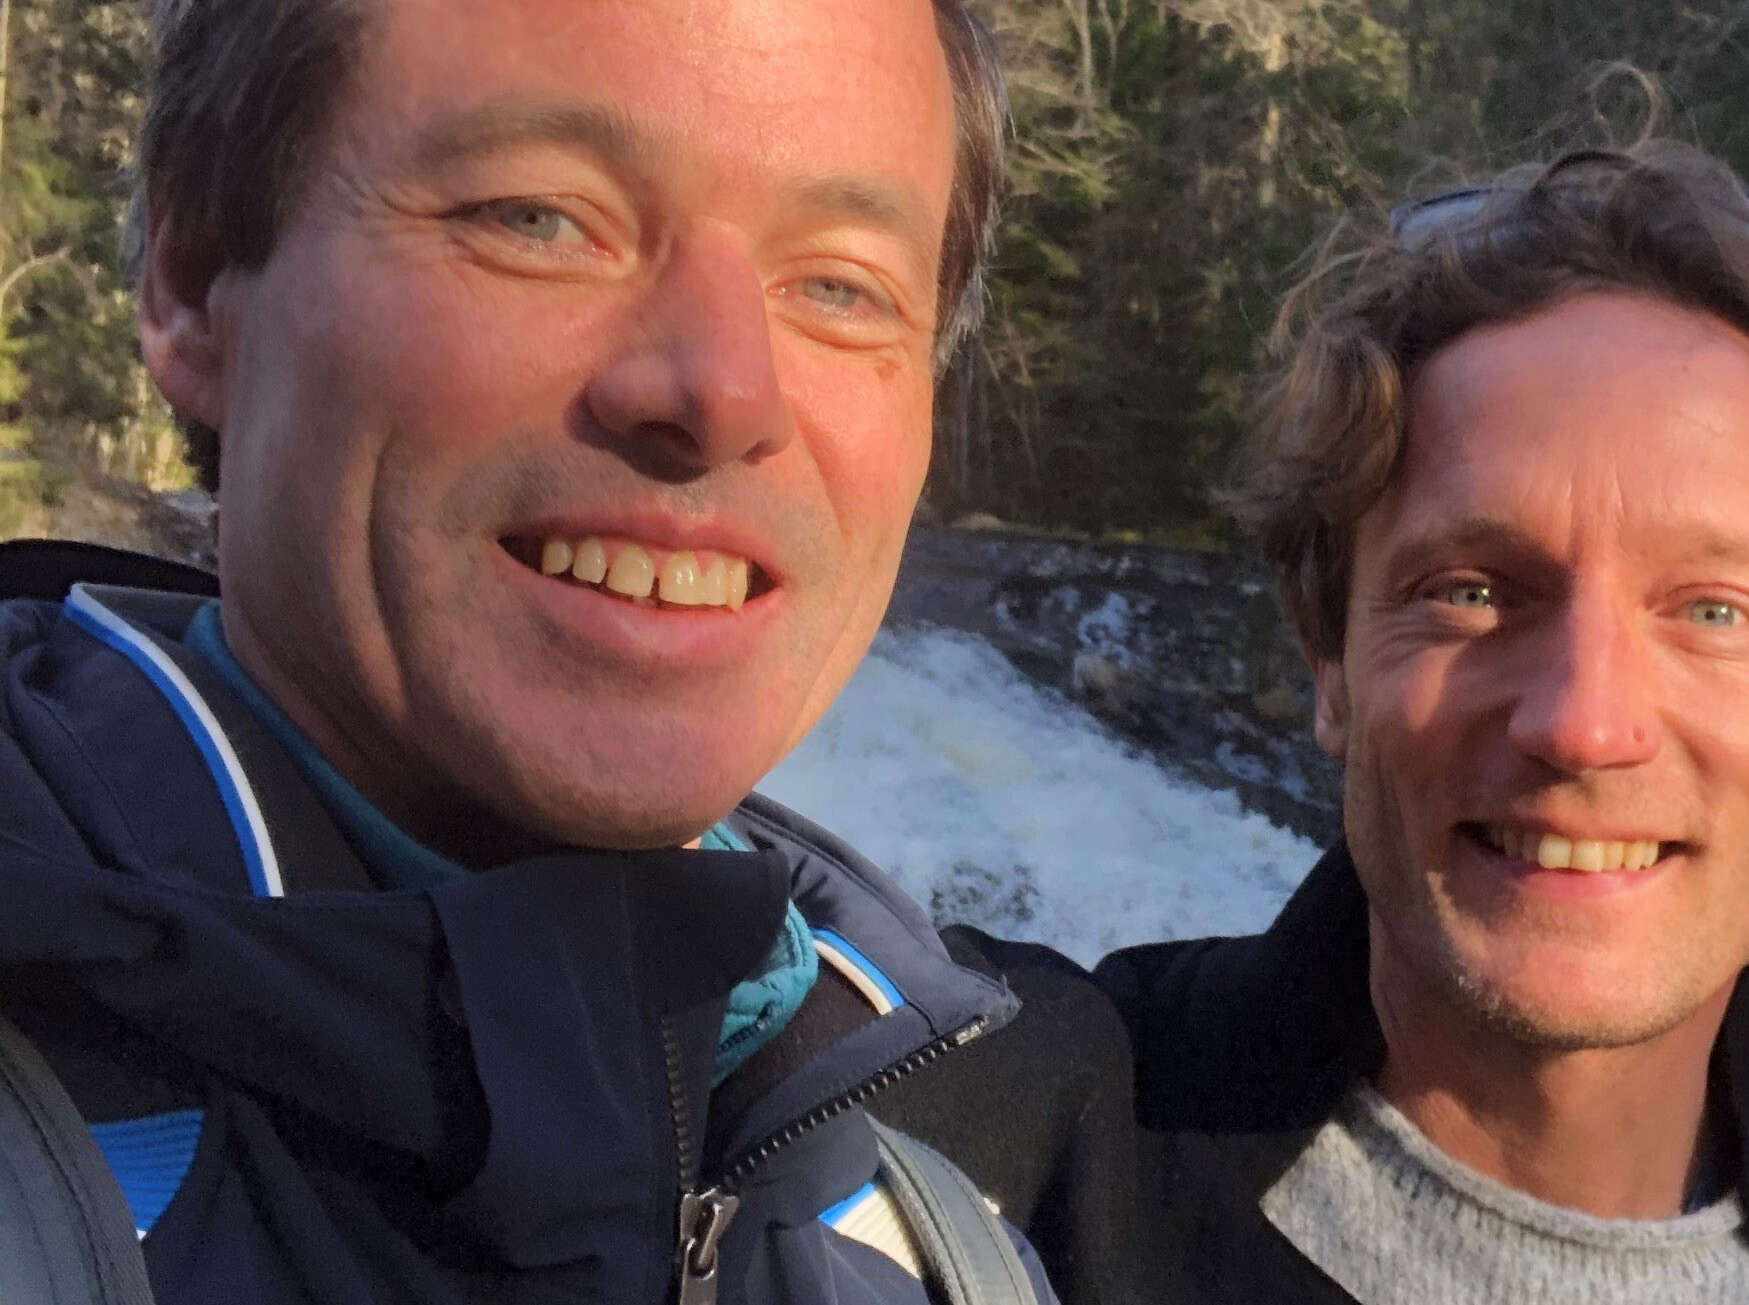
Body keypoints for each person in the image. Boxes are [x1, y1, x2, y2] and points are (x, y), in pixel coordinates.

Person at [879, 141, 1749, 1303]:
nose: (1583, 725)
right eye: (1472, 591)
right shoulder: (953, 1147)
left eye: (1711, 609)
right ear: (1329, 660)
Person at [0, 1, 1058, 1302]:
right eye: (538, 218)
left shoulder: (930, 1255)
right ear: (193, 286)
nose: (726, 391)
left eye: (839, 286)